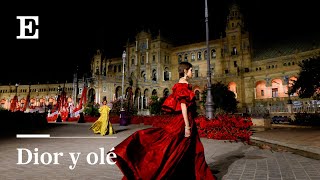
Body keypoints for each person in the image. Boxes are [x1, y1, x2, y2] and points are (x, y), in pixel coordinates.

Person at [111, 62, 216, 179]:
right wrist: (187, 126)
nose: (192, 72)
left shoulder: (180, 84)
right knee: (176, 148)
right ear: (185, 71)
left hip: (184, 121)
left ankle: (192, 174)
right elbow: (183, 106)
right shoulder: (183, 84)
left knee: (189, 148)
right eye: (191, 70)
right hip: (183, 122)